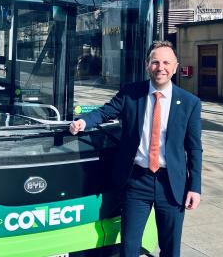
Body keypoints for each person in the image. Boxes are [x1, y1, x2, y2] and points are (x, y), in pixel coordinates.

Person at [70, 41, 202, 257]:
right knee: (129, 245)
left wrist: (195, 187)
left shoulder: (190, 103)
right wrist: (83, 122)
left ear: (176, 67)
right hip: (137, 182)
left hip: (172, 185)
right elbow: (105, 112)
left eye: (166, 62)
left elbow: (195, 149)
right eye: (155, 62)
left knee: (170, 248)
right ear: (147, 65)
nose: (161, 67)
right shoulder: (131, 93)